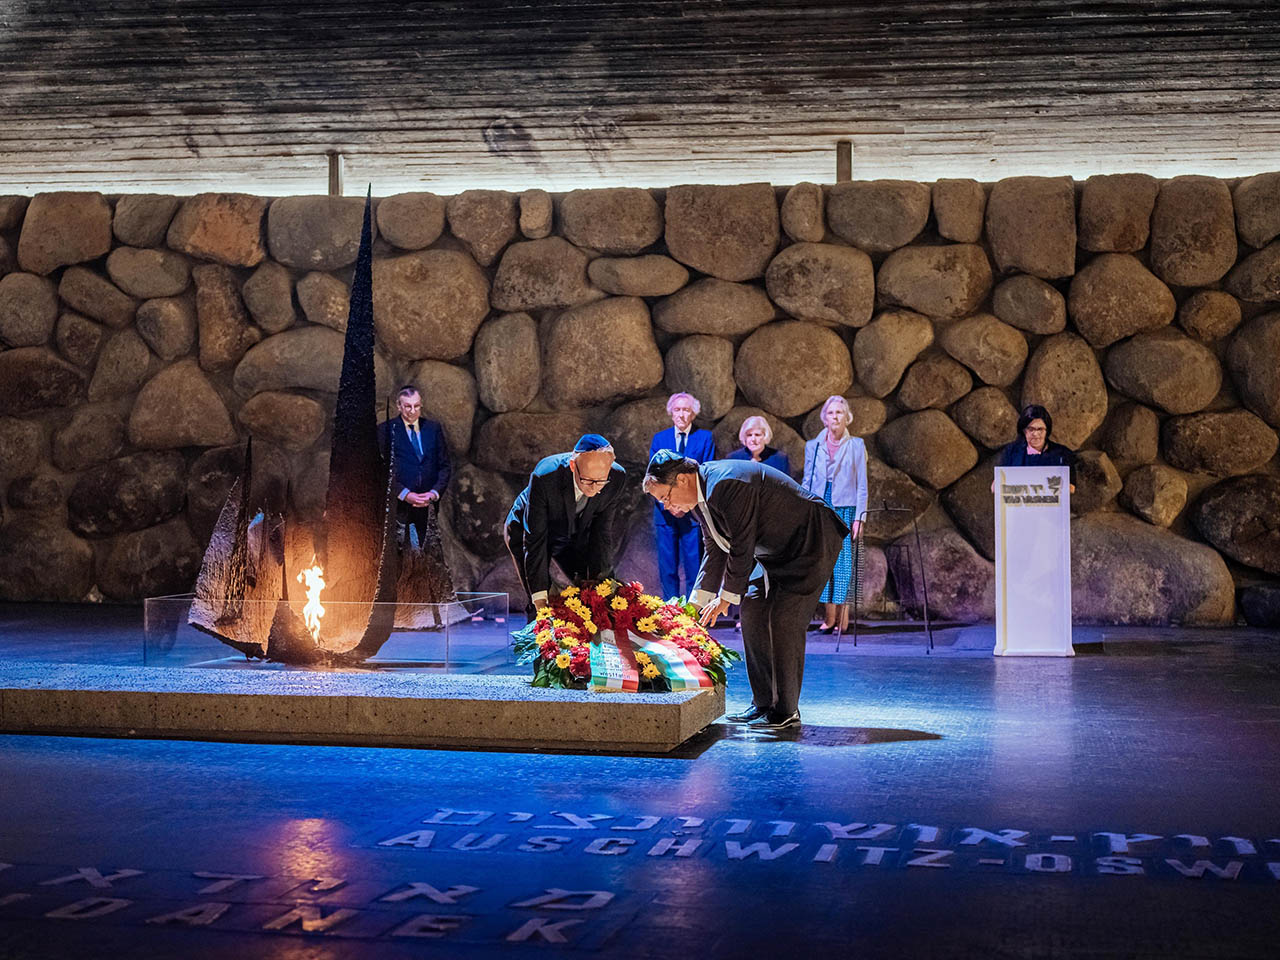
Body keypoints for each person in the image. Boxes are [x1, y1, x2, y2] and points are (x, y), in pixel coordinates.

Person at [643, 451, 848, 730]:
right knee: (751, 613)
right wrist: (696, 604)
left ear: (681, 480)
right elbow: (715, 548)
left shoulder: (726, 484)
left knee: (783, 621)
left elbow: (741, 544)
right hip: (772, 553)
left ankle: (786, 711)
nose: (667, 506)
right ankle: (763, 703)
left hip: (809, 542)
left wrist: (726, 598)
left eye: (665, 497)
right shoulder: (700, 498)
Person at [505, 434, 627, 622]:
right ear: (572, 466)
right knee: (540, 594)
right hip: (528, 530)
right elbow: (535, 542)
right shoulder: (545, 475)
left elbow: (601, 533)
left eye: (601, 481)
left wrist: (604, 588)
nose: (594, 488)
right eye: (587, 481)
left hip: (573, 530)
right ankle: (540, 637)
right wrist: (541, 603)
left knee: (589, 587)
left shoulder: (617, 478)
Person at [801, 396, 868, 635]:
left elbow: (862, 484)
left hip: (845, 507)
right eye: (831, 413)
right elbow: (807, 480)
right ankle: (828, 618)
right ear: (825, 418)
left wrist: (860, 518)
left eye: (840, 412)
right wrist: (805, 512)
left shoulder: (856, 445)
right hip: (821, 506)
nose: (835, 417)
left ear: (846, 416)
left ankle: (844, 618)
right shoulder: (814, 445)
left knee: (843, 564)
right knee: (823, 561)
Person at [648, 392, 716, 601]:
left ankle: (694, 612)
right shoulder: (660, 439)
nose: (682, 414)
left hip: (693, 514)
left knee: (694, 565)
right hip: (665, 513)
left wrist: (686, 505)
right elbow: (652, 477)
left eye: (686, 410)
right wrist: (670, 505)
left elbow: (705, 473)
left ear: (693, 414)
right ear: (671, 413)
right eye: (677, 409)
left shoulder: (704, 438)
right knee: (667, 567)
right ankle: (671, 610)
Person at [378, 385, 452, 548]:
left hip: (428, 505)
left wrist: (433, 493)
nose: (412, 411)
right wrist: (404, 494)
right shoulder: (386, 430)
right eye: (407, 406)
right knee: (400, 550)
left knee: (426, 551)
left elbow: (444, 465)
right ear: (399, 406)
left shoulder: (433, 429)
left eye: (416, 406)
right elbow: (380, 470)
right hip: (399, 505)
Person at [998, 404, 1077, 493]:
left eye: (1040, 429)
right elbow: (996, 486)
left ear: (1047, 430)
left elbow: (1071, 488)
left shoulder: (1062, 453)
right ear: (1024, 430)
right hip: (1018, 505)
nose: (1035, 434)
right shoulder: (1011, 452)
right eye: (1031, 429)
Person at [726, 415, 790, 474]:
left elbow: (785, 485)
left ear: (765, 436)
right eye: (749, 435)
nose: (753, 439)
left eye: (757, 435)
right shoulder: (733, 458)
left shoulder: (780, 458)